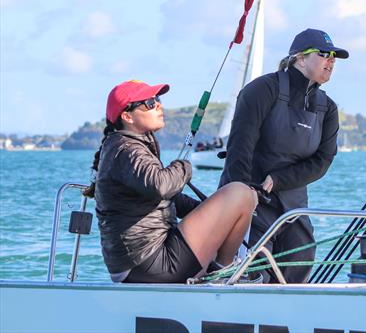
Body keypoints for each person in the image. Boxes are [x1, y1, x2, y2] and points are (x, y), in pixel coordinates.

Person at [87, 80, 257, 283]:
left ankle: (221, 270)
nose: (159, 105)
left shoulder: (126, 146)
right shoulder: (126, 150)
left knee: (244, 197)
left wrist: (219, 213)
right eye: (150, 102)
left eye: (157, 100)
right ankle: (223, 272)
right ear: (127, 116)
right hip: (149, 263)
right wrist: (184, 166)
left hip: (141, 262)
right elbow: (162, 186)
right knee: (240, 192)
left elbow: (170, 199)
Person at [219, 28, 346, 283]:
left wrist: (278, 180)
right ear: (300, 58)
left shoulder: (328, 108)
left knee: (303, 255)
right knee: (251, 271)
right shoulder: (261, 90)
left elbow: (322, 162)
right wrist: (243, 198)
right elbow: (239, 150)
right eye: (324, 54)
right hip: (252, 197)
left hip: (293, 201)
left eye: (334, 56)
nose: (331, 61)